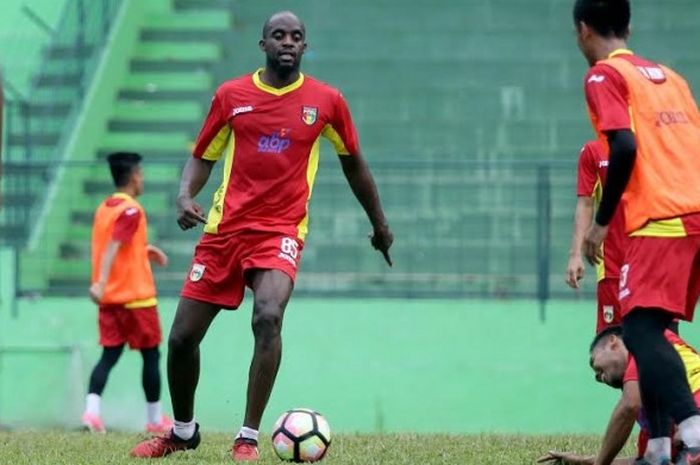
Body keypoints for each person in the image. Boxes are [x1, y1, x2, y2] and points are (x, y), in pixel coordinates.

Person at [131, 10, 393, 461]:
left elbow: (354, 163)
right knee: (179, 340)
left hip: (280, 230)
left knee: (268, 315)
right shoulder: (231, 96)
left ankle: (247, 437)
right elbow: (201, 157)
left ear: (305, 47)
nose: (287, 42)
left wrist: (380, 225)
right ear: (263, 45)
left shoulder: (325, 101)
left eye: (296, 36)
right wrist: (182, 195)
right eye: (278, 35)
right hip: (224, 231)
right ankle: (182, 432)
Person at [574, 0, 700, 463]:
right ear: (629, 25)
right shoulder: (672, 78)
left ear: (583, 31)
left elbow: (623, 143)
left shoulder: (604, 76)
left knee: (640, 333)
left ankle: (692, 428)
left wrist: (602, 224)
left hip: (662, 218)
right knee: (659, 331)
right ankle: (663, 446)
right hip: (695, 212)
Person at [83, 152, 172, 434]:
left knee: (109, 356)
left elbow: (117, 246)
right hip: (137, 298)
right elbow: (113, 245)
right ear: (134, 177)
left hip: (111, 300)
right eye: (142, 174)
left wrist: (144, 251)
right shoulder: (131, 210)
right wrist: (99, 282)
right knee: (151, 357)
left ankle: (91, 413)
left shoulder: (104, 208)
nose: (142, 179)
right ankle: (155, 419)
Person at [538, 325, 695, 465]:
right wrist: (584, 460)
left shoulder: (645, 340)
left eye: (594, 362)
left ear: (613, 342)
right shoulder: (651, 406)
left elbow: (628, 407)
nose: (598, 378)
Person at [566, 140, 626, 332]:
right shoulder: (593, 151)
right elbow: (585, 204)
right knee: (611, 349)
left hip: (652, 266)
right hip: (612, 267)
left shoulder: (652, 143)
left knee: (662, 341)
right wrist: (575, 255)